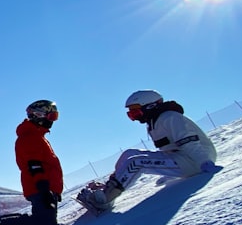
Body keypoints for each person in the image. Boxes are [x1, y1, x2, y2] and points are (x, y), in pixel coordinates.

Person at [76, 90, 218, 212]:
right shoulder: (154, 122)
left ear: (150, 106)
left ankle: (105, 200)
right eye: (131, 114)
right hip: (181, 157)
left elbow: (189, 142)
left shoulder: (170, 118)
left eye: (136, 112)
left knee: (137, 162)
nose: (135, 117)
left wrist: (205, 162)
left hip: (195, 160)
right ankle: (110, 187)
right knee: (129, 153)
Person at [0, 100, 63, 225]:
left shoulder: (37, 135)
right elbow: (34, 165)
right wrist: (44, 189)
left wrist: (54, 189)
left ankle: (1, 224)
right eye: (51, 116)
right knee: (43, 223)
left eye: (55, 117)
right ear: (38, 115)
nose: (52, 121)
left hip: (45, 187)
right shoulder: (30, 136)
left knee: (46, 220)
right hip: (39, 187)